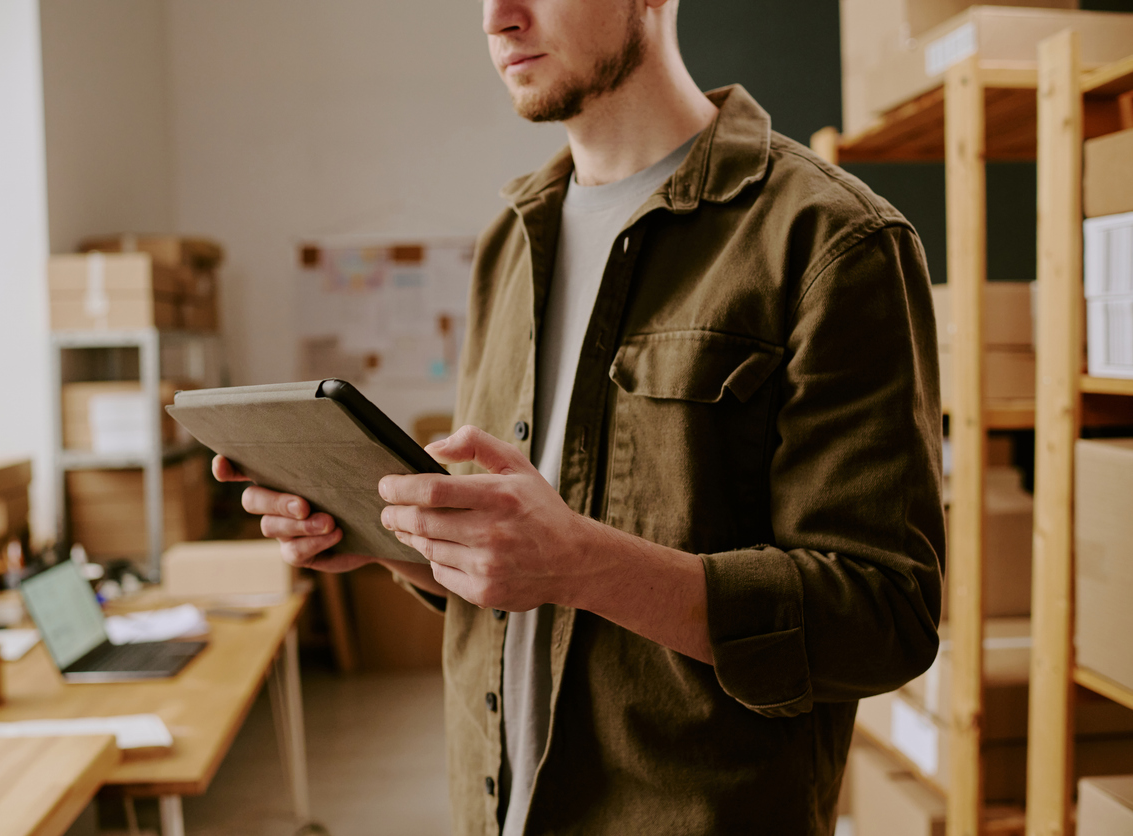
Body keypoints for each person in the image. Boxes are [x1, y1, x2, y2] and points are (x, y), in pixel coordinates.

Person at [214, 0, 945, 833]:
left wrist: (582, 564)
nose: (498, 18)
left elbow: (887, 618)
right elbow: (516, 582)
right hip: (498, 809)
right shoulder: (509, 242)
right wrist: (392, 543)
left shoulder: (831, 241)